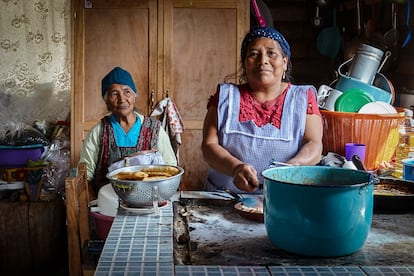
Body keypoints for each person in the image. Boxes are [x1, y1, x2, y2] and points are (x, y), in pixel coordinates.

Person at [201, 26, 323, 193]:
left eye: (271, 53)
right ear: (244, 64)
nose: (262, 60)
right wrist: (235, 168)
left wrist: (292, 167)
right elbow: (209, 146)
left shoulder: (303, 98)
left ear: (285, 62)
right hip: (224, 199)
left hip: (284, 198)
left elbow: (314, 144)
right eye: (253, 54)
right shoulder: (224, 96)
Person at [79, 66, 177, 198]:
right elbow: (85, 175)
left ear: (134, 96)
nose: (122, 98)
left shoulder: (154, 129)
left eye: (127, 92)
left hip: (148, 202)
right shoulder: (99, 132)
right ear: (106, 100)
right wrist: (93, 205)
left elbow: (171, 168)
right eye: (114, 93)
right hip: (108, 204)